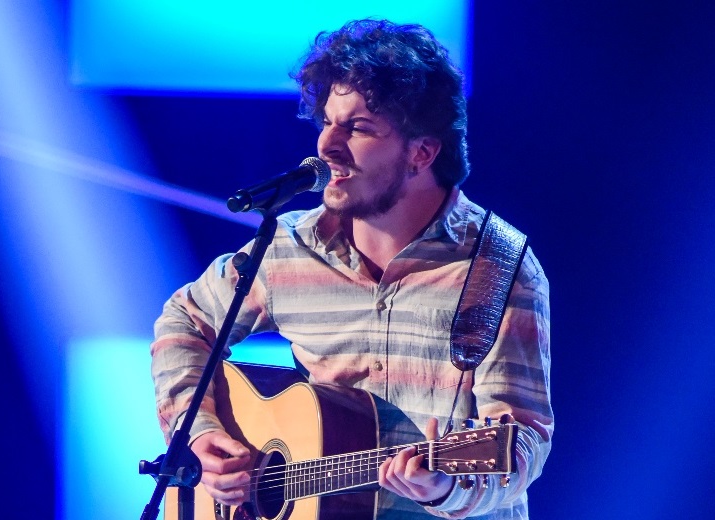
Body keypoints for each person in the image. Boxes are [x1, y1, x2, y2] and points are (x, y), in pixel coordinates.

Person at [151, 19, 553, 519]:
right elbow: (184, 322)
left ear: (421, 153)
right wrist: (200, 432)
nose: (326, 145)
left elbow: (518, 439)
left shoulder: (496, 268)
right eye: (327, 121)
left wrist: (445, 488)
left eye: (358, 128)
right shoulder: (287, 248)